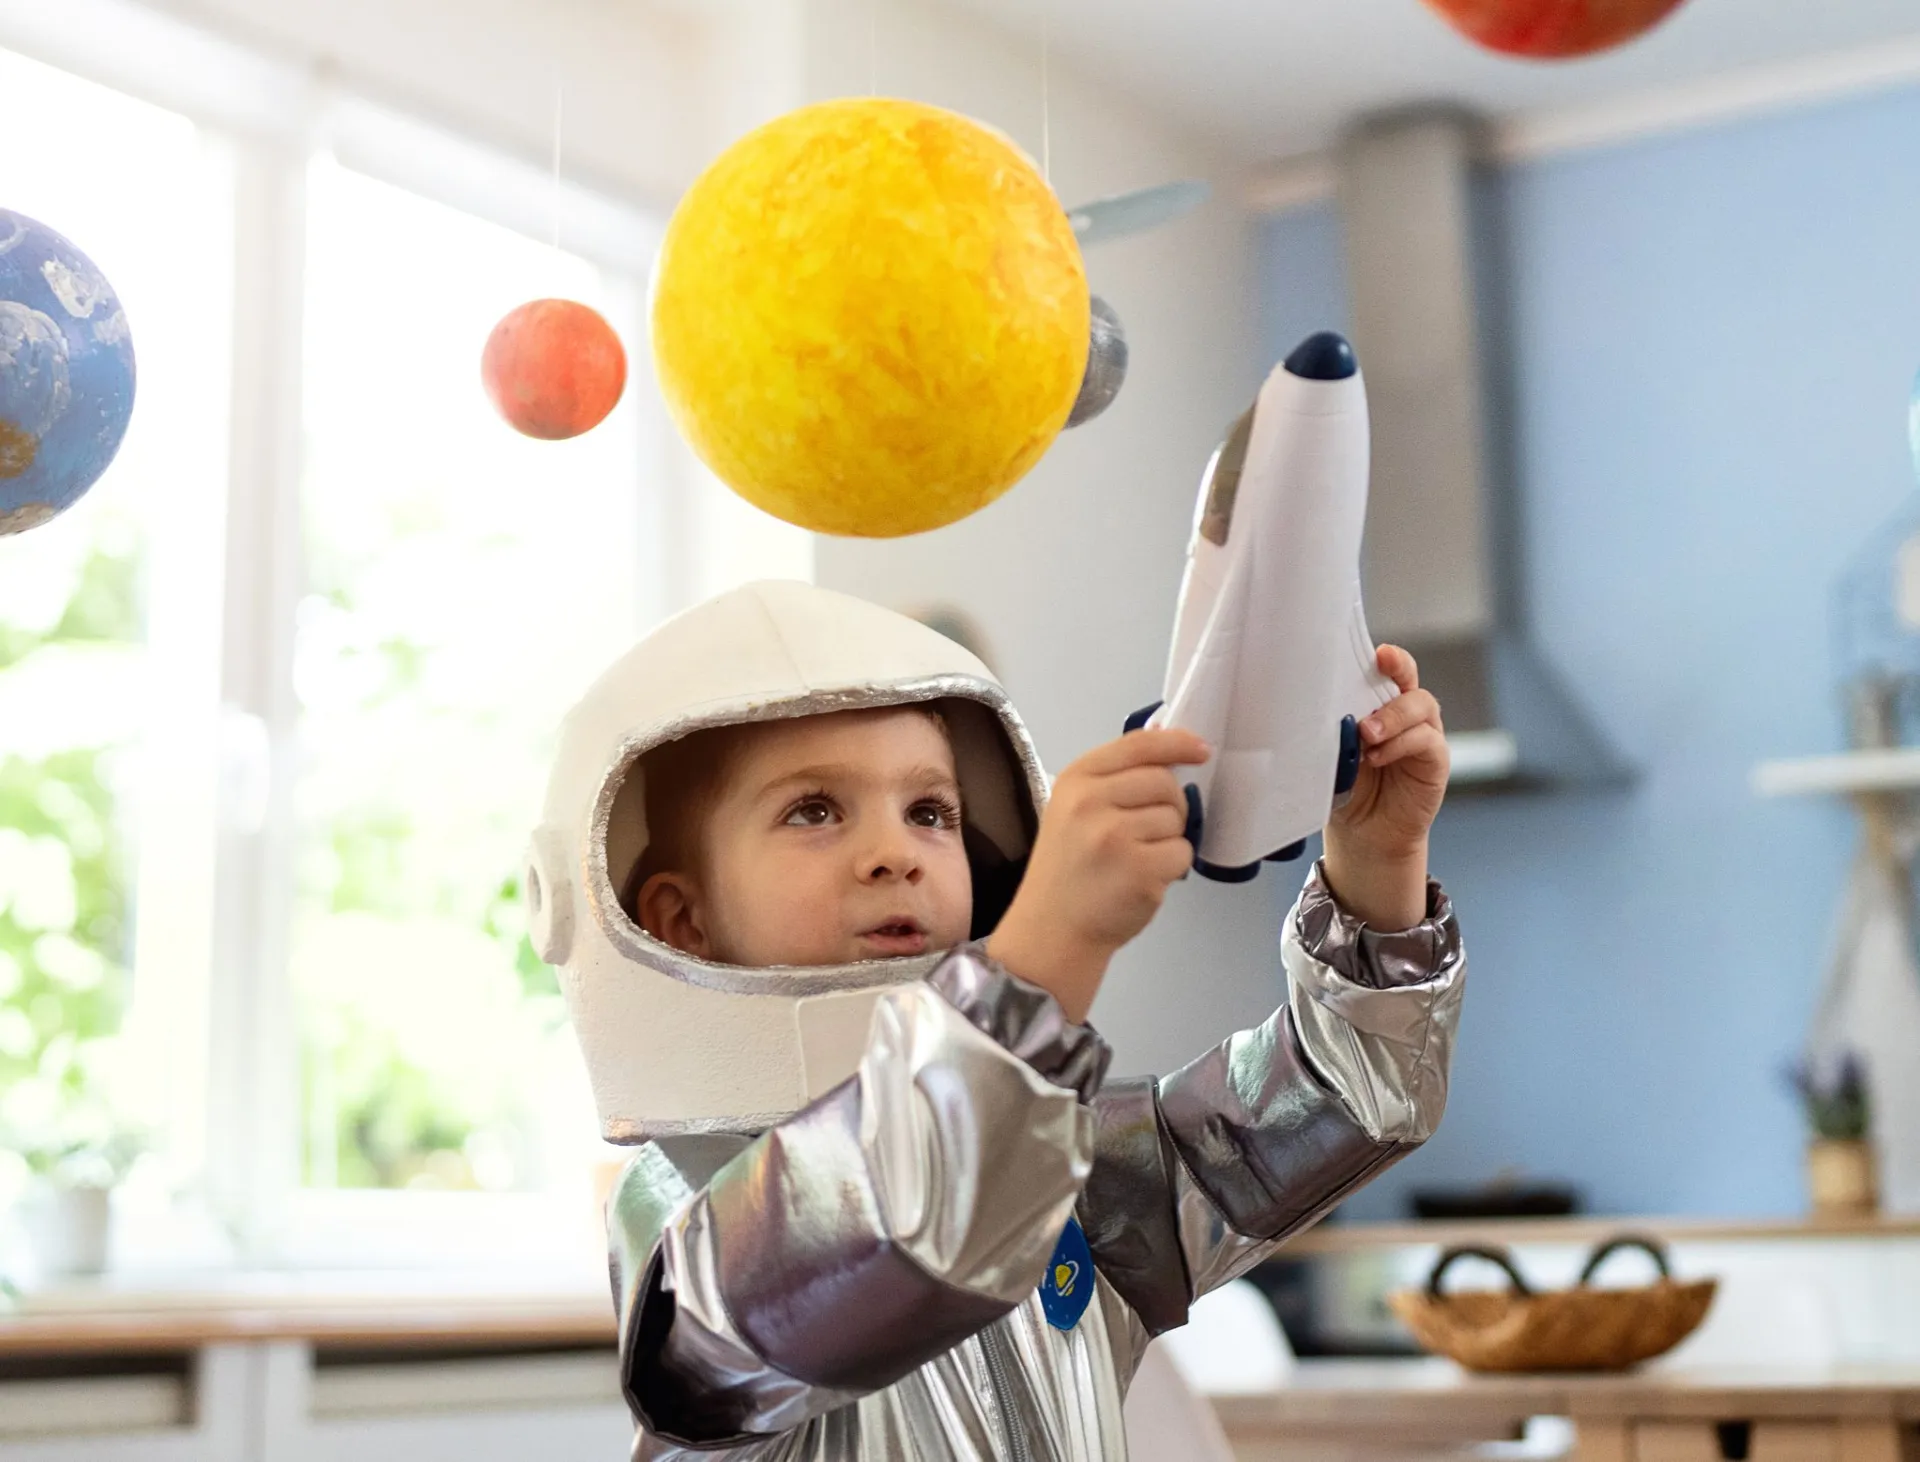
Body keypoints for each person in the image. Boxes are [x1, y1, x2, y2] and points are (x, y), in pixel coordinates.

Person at [527, 579, 1464, 1462]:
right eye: (814, 810)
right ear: (680, 921)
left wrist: (1377, 869)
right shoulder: (685, 1223)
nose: (894, 851)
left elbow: (1343, 1097)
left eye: (930, 810)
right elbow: (885, 1217)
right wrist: (1050, 954)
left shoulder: (1067, 1168)